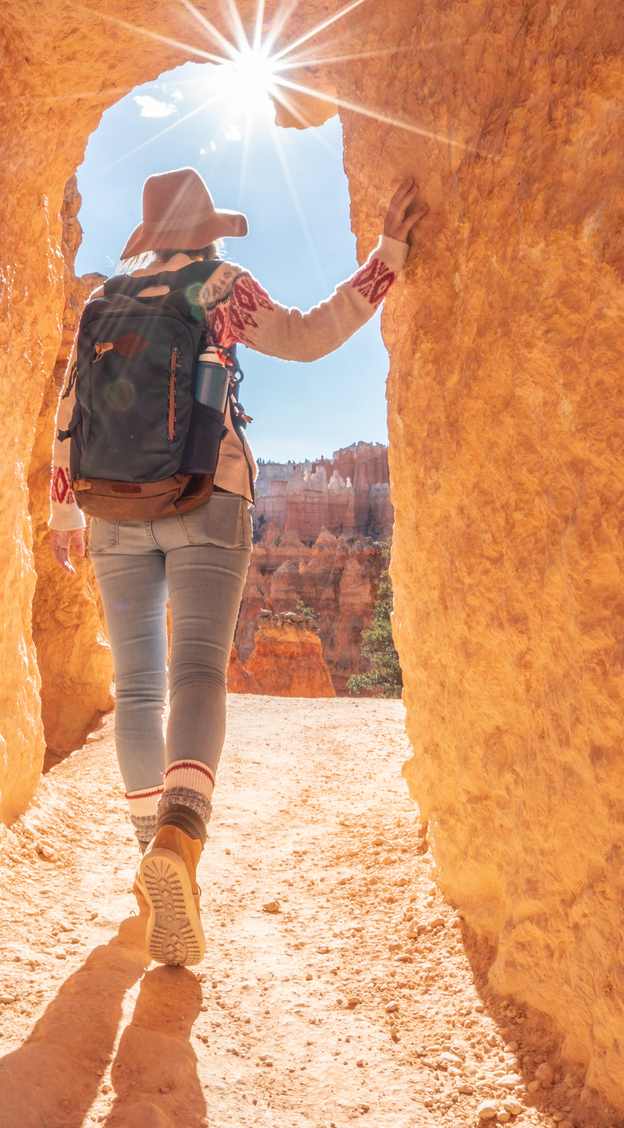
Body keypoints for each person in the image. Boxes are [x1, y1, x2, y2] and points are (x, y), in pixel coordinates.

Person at [46, 166, 427, 967]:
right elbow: (313, 335)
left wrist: (62, 511)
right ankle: (179, 848)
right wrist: (388, 256)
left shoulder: (103, 300)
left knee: (138, 688)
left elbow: (70, 410)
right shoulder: (220, 285)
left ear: (149, 238)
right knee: (195, 676)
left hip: (111, 504)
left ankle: (149, 846)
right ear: (208, 231)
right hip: (206, 491)